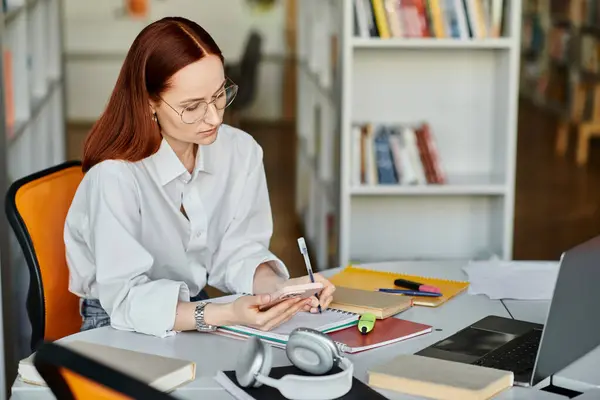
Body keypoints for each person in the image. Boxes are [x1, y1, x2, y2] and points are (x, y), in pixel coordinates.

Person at [63, 16, 335, 338]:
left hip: (194, 305)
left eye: (220, 94)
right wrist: (225, 313)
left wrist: (279, 290)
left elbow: (239, 249)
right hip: (114, 318)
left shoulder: (240, 151)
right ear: (149, 102)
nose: (215, 117)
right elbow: (126, 299)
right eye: (192, 107)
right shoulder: (115, 176)